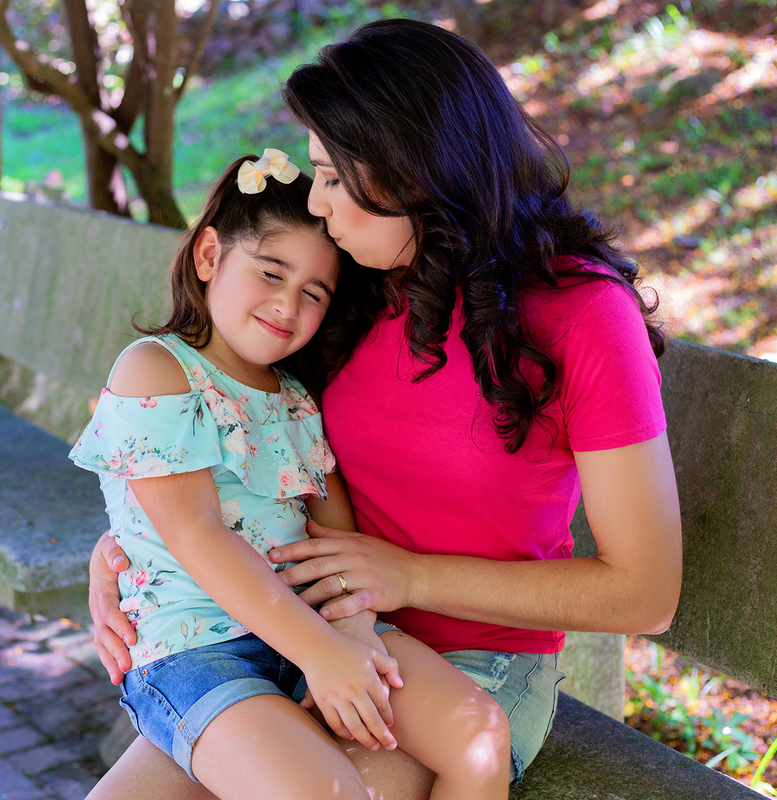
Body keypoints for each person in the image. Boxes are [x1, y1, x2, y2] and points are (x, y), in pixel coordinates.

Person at [87, 18, 683, 800]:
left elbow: (644, 592)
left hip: (470, 662)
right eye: (317, 173)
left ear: (416, 171)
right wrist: (129, 544)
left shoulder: (580, 314)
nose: (322, 205)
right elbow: (243, 436)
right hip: (289, 631)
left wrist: (408, 578)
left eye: (336, 177)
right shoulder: (354, 290)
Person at [72, 150, 517, 800]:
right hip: (197, 653)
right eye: (271, 273)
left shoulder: (294, 397)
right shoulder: (155, 370)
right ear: (208, 257)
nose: (287, 305)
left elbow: (333, 536)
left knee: (478, 734)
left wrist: (355, 633)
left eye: (313, 293)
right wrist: (321, 652)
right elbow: (199, 536)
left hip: (312, 630)